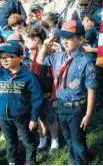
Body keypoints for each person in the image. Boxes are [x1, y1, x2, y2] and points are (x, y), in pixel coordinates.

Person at [37, 20, 98, 165]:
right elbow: (40, 59)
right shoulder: (60, 57)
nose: (64, 40)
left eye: (69, 37)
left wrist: (88, 114)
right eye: (62, 37)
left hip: (77, 107)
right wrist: (46, 44)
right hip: (62, 105)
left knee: (77, 139)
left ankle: (82, 162)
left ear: (81, 39)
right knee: (68, 137)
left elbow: (91, 89)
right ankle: (72, 161)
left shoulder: (86, 60)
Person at [0, 41, 43, 165]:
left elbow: (36, 99)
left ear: (21, 58)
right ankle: (12, 161)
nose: (4, 60)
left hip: (22, 117)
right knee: (10, 141)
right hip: (2, 117)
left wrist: (34, 118)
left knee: (28, 141)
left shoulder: (29, 77)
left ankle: (31, 162)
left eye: (8, 57)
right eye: (1, 57)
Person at [21, 25, 60, 153]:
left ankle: (55, 141)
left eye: (26, 40)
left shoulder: (49, 55)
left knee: (51, 118)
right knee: (40, 117)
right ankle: (42, 139)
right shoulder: (26, 56)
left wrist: (54, 96)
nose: (24, 44)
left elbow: (56, 77)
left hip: (47, 94)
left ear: (36, 39)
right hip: (34, 96)